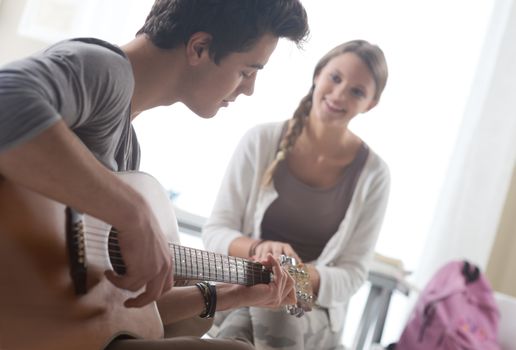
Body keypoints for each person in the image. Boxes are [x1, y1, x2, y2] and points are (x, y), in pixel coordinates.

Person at [0, 0, 309, 349]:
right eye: (247, 71)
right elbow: (6, 99)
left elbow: (120, 308)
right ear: (200, 48)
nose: (249, 89)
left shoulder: (127, 152)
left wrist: (234, 294)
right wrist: (132, 213)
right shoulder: (104, 67)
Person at [202, 40, 390, 350]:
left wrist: (292, 277)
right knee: (256, 310)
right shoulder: (260, 140)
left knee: (269, 311)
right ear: (318, 74)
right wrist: (261, 250)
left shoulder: (375, 175)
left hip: (313, 307)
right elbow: (216, 231)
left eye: (357, 91)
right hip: (243, 287)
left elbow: (353, 274)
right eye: (335, 78)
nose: (340, 94)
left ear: (370, 104)